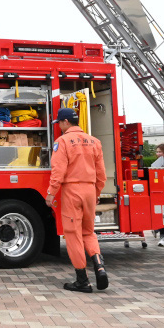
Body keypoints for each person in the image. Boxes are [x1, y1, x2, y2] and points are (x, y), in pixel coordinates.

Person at [45, 108, 108, 293]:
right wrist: (95, 193)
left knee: (73, 235)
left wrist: (51, 193)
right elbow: (101, 174)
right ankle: (99, 265)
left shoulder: (62, 141)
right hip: (89, 189)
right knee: (88, 232)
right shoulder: (94, 141)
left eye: (59, 123)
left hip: (72, 191)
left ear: (65, 122)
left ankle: (82, 280)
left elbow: (58, 171)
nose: (59, 127)